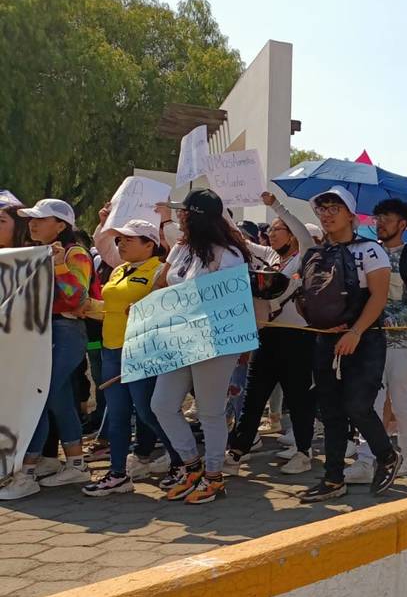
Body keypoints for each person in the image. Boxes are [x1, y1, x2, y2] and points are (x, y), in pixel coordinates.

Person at [146, 190, 253, 504]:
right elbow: (163, 283)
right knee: (162, 404)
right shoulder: (182, 249)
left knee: (210, 411)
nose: (180, 217)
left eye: (184, 212)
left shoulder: (229, 254)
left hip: (215, 341)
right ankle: (191, 467)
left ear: (198, 216)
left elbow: (231, 301)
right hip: (181, 338)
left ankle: (214, 476)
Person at [297, 186, 400, 501]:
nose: (327, 214)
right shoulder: (314, 253)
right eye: (322, 208)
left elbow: (379, 297)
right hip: (325, 340)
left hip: (364, 340)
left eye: (334, 208)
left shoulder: (370, 250)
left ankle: (387, 456)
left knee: (357, 405)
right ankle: (332, 479)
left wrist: (355, 332)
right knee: (330, 412)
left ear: (351, 215)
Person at [0, 200, 94, 500]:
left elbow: (76, 297)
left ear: (62, 226)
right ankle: (76, 462)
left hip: (65, 332)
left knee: (38, 396)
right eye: (31, 220)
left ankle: (25, 471)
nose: (33, 224)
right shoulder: (37, 253)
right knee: (58, 397)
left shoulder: (74, 254)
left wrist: (59, 265)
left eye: (41, 220)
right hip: (44, 332)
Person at [80, 217, 181, 495]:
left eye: (129, 239)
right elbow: (112, 308)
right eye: (120, 239)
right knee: (118, 415)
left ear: (150, 245)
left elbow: (170, 309)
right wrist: (89, 306)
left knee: (148, 412)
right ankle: (117, 474)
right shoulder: (118, 271)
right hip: (111, 348)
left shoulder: (160, 271)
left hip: (142, 350)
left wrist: (149, 306)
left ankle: (182, 462)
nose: (121, 243)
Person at [224, 191, 319, 477]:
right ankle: (237, 450)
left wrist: (275, 205)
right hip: (268, 336)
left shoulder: (304, 255)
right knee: (254, 395)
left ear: (291, 235)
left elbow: (303, 231)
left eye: (277, 229)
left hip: (297, 337)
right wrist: (218, 211)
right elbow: (240, 240)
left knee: (299, 397)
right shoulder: (270, 258)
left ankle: (304, 452)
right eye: (270, 229)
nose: (271, 233)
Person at [345, 198, 407, 482]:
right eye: (378, 217)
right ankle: (368, 459)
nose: (380, 223)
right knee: (369, 400)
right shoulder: (369, 253)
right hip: (370, 342)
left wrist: (390, 320)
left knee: (399, 398)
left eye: (387, 218)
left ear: (402, 224)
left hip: (401, 343)